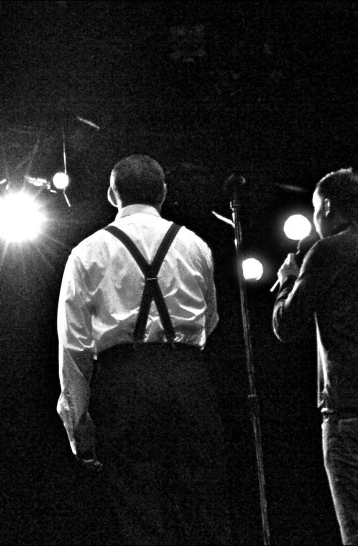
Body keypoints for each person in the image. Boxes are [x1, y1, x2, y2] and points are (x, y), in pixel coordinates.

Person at [57, 154, 231, 544]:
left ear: (111, 194)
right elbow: (211, 320)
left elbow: (74, 346)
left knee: (136, 510)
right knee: (198, 505)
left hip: (124, 383)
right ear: (164, 193)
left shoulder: (88, 250)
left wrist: (77, 419)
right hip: (188, 377)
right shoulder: (195, 244)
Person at [272, 168, 358, 545]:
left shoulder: (326, 251)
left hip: (351, 415)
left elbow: (286, 325)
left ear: (326, 206)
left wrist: (288, 280)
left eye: (314, 208)